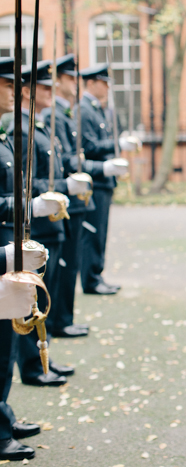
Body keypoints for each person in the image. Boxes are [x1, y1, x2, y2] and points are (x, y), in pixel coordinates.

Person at [10, 60, 88, 387]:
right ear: (28, 91)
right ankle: (32, 364)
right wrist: (58, 187)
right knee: (32, 301)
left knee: (45, 297)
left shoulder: (40, 126)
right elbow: (26, 181)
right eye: (43, 87)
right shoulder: (22, 129)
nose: (50, 91)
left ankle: (43, 356)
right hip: (37, 224)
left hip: (51, 223)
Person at [0, 55, 59, 462]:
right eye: (7, 85)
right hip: (1, 250)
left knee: (3, 343)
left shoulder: (3, 137)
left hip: (6, 250)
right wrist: (25, 205)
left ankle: (1, 418)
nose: (14, 92)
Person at [44, 55, 128, 337]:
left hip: (83, 188)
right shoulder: (61, 113)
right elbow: (73, 156)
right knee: (65, 261)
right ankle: (60, 320)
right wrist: (101, 165)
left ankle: (64, 319)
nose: (75, 83)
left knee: (72, 258)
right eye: (70, 78)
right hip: (70, 192)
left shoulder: (69, 112)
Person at [79, 64, 136, 295]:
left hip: (104, 181)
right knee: (93, 232)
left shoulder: (98, 109)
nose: (107, 87)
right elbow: (89, 147)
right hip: (95, 181)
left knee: (100, 232)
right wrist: (117, 145)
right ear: (91, 83)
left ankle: (96, 275)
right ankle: (91, 279)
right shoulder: (84, 110)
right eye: (103, 82)